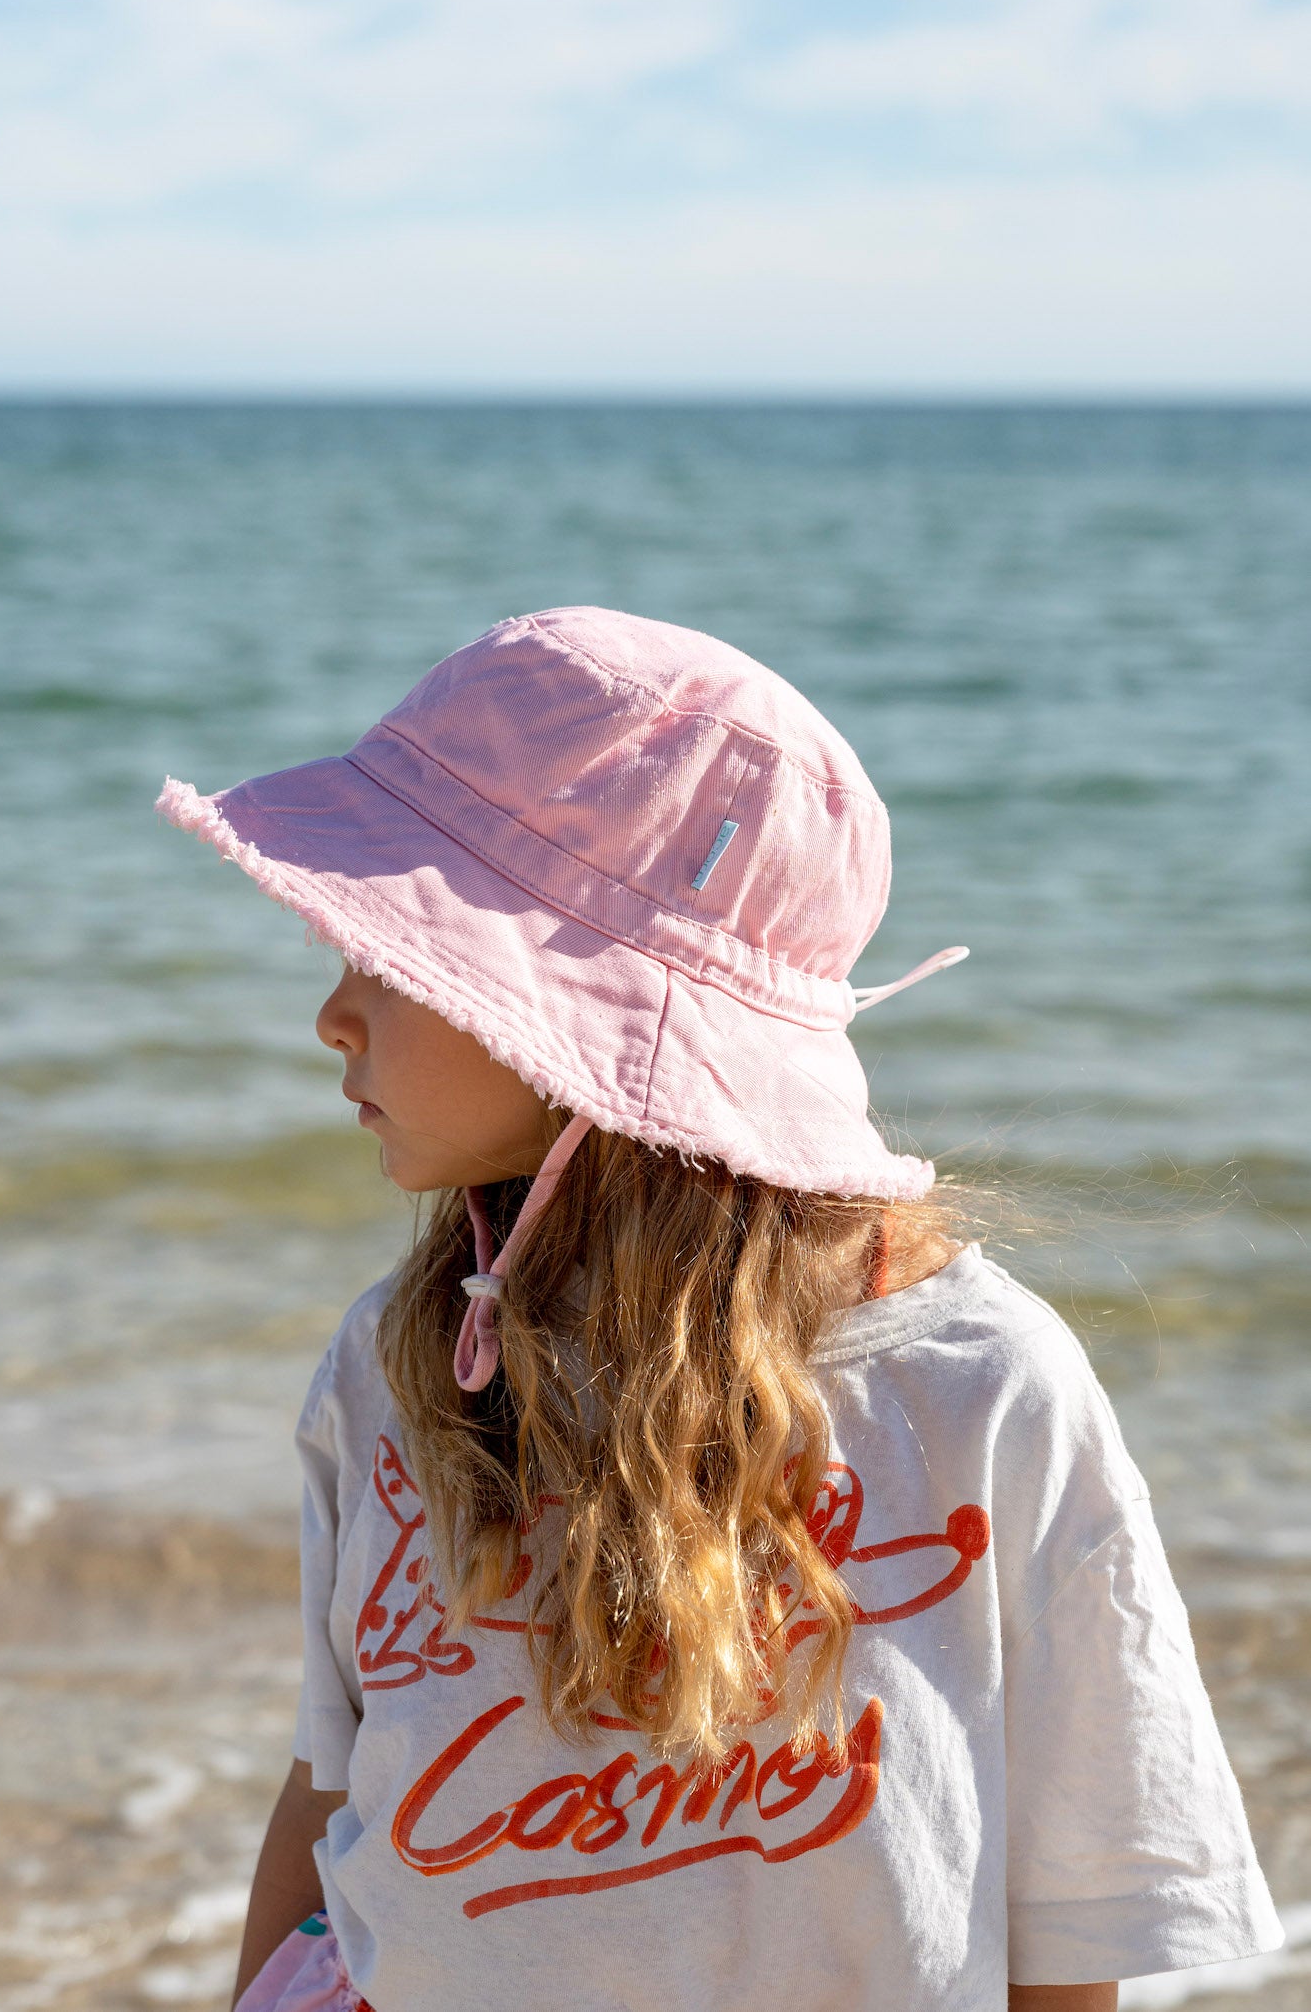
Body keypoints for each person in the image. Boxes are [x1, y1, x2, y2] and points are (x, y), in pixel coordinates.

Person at [157, 607, 1280, 2012]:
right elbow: (332, 1791)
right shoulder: (403, 1362)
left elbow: (1067, 1923)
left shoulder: (977, 1390)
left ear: (569, 1025)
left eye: (392, 956)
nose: (333, 1013)